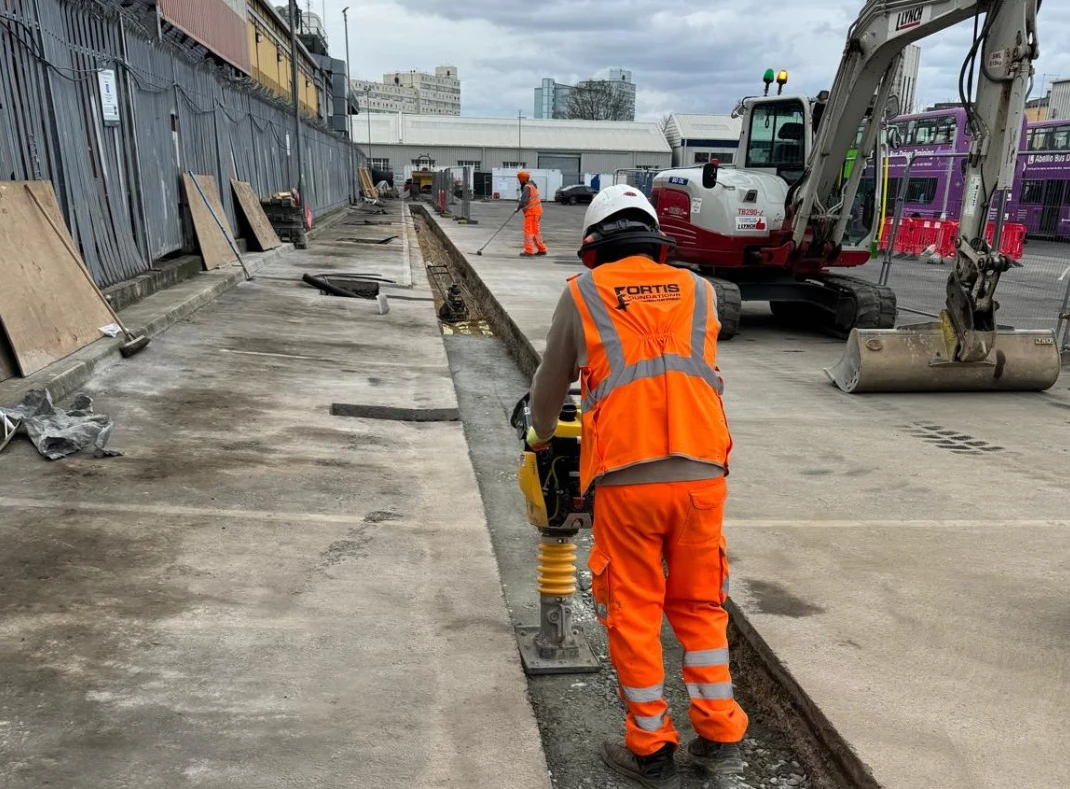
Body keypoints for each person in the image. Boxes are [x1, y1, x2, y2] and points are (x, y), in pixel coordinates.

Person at [523, 185, 747, 789]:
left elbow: (551, 384)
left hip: (627, 478)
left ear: (595, 245)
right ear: (655, 239)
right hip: (704, 473)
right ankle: (720, 733)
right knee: (701, 606)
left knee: (634, 610)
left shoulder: (584, 292)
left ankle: (651, 749)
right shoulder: (699, 290)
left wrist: (541, 435)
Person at [515, 171, 548, 257]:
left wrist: (517, 208)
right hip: (537, 211)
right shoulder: (532, 185)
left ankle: (528, 251)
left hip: (532, 212)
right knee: (535, 231)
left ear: (522, 179)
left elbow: (524, 201)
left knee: (528, 231)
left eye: (519, 179)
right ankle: (542, 249)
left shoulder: (527, 187)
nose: (519, 181)